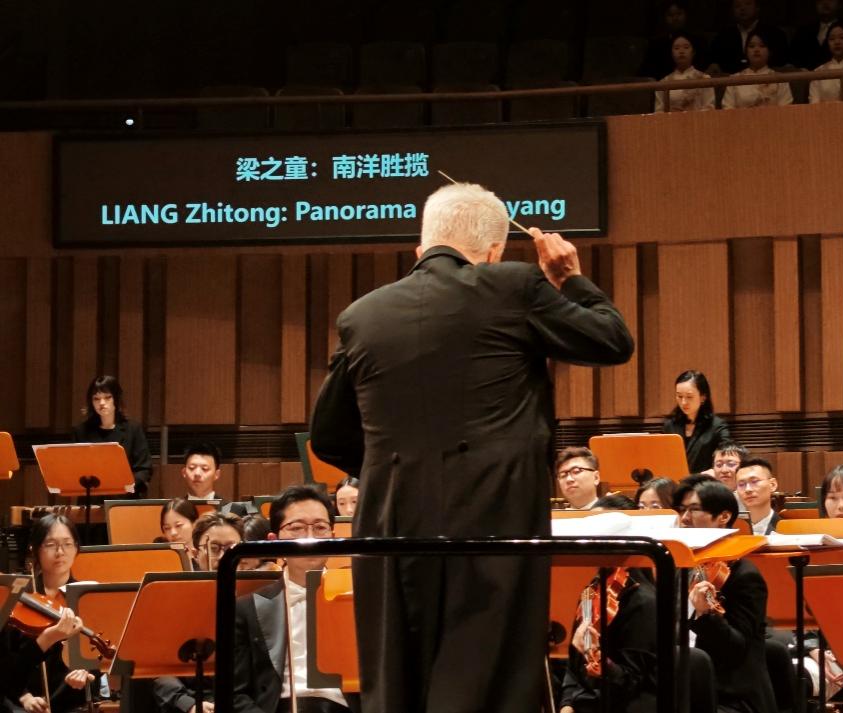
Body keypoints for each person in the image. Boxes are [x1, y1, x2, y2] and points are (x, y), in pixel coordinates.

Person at [309, 181, 634, 713]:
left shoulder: (362, 315)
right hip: (493, 517)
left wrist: (399, 472)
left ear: (422, 246)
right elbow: (612, 340)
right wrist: (569, 277)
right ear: (493, 251)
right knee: (487, 676)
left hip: (389, 522)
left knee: (398, 679)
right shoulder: (512, 285)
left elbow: (328, 435)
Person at [232, 485, 351, 713]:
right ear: (273, 541)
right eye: (296, 528)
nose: (310, 538)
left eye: (320, 527)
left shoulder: (355, 600)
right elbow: (235, 694)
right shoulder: (246, 608)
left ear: (334, 538)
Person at [676, 479, 778, 713]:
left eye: (694, 510)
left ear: (723, 517)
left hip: (732, 698)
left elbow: (736, 649)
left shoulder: (744, 575)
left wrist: (706, 616)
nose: (684, 519)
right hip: (686, 689)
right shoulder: (680, 568)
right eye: (682, 510)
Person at [1, 514, 99, 713]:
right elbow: (5, 668)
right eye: (50, 545)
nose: (60, 552)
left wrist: (86, 676)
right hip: (19, 702)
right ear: (35, 549)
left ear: (77, 548)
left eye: (67, 544)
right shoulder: (16, 598)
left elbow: (96, 665)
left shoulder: (88, 597)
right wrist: (24, 696)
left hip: (69, 701)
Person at [152, 514, 244, 712]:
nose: (224, 557)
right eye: (214, 548)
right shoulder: (175, 603)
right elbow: (159, 669)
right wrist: (189, 704)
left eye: (232, 549)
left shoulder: (258, 596)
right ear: (194, 553)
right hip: (193, 700)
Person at [558, 562, 658, 713]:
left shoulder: (643, 602)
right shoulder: (590, 591)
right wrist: (566, 704)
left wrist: (599, 659)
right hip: (583, 702)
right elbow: (574, 664)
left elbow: (631, 682)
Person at [72, 375, 152, 497]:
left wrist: (126, 485)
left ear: (116, 399)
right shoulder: (81, 431)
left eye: (107, 397)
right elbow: (75, 470)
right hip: (92, 499)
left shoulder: (133, 429)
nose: (101, 403)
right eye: (96, 398)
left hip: (124, 499)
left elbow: (144, 469)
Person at [661, 370, 732, 475]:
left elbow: (728, 456)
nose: (684, 402)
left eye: (689, 397)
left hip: (704, 482)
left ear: (703, 397)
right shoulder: (669, 426)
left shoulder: (717, 426)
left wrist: (713, 471)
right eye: (679, 396)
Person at [710, 0, 790, 73]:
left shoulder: (774, 33)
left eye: (748, 4)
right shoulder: (723, 36)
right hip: (731, 80)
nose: (742, 8)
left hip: (767, 78)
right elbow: (714, 62)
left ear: (757, 8)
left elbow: (782, 62)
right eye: (737, 6)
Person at [721, 30, 795, 109]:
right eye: (751, 46)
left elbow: (786, 109)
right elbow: (727, 108)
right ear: (746, 51)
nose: (756, 50)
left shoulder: (781, 80)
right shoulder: (734, 79)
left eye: (762, 46)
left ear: (769, 51)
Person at [792, 0, 843, 68]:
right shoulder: (803, 31)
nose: (825, 2)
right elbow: (794, 60)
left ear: (839, 4)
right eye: (820, 0)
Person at [641, 2, 708, 80]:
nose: (675, 18)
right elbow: (646, 73)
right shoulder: (656, 45)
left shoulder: (699, 41)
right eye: (670, 15)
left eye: (679, 14)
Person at [655, 33, 716, 113]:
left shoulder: (705, 79)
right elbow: (658, 112)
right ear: (671, 53)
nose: (681, 51)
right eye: (676, 48)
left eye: (686, 47)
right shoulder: (663, 83)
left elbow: (710, 108)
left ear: (693, 52)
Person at [736, 457, 780, 535]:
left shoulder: (789, 530)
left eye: (754, 481)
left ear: (772, 485)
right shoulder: (729, 531)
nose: (748, 489)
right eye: (741, 484)